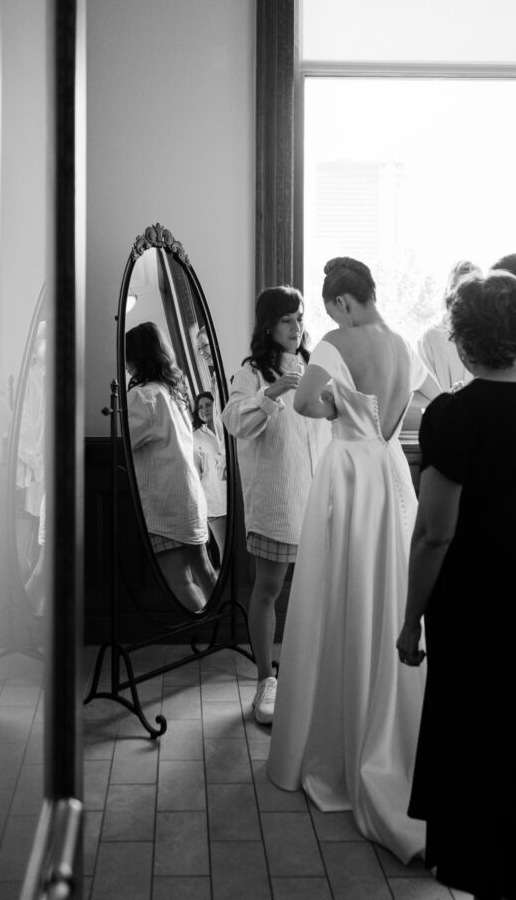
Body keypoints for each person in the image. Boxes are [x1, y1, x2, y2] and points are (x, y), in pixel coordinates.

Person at [267, 257, 428, 864]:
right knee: (386, 589)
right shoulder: (404, 344)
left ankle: (334, 740)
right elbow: (411, 409)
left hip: (348, 472)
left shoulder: (335, 340)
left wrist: (339, 407)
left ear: (341, 302)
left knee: (339, 591)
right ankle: (390, 732)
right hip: (388, 473)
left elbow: (307, 404)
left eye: (328, 304)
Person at [396, 271, 516, 900]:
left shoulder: (456, 414)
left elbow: (434, 535)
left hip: (472, 596)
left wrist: (409, 620)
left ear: (462, 338)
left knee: (469, 726)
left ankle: (478, 868)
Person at [222, 286, 330, 724]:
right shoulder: (252, 372)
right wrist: (271, 395)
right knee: (268, 589)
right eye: (288, 320)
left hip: (317, 498)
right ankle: (266, 679)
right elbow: (233, 423)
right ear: (269, 324)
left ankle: (307, 675)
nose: (296, 327)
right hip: (277, 499)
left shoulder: (314, 367)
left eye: (300, 318)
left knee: (315, 592)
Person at [125, 321, 218, 612]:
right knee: (204, 569)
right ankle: (223, 627)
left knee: (178, 580)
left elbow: (127, 440)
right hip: (189, 495)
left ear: (136, 359)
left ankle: (205, 628)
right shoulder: (172, 394)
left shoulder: (143, 397)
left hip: (165, 499)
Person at [417, 259, 482, 401]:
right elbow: (425, 394)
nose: (457, 294)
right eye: (453, 287)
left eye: (466, 287)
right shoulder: (430, 338)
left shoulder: (493, 336)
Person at [193, 390, 227, 564]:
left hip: (234, 497)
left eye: (208, 404)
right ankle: (224, 587)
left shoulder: (226, 428)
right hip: (213, 500)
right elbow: (195, 473)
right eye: (200, 407)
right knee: (224, 549)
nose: (204, 409)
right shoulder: (195, 437)